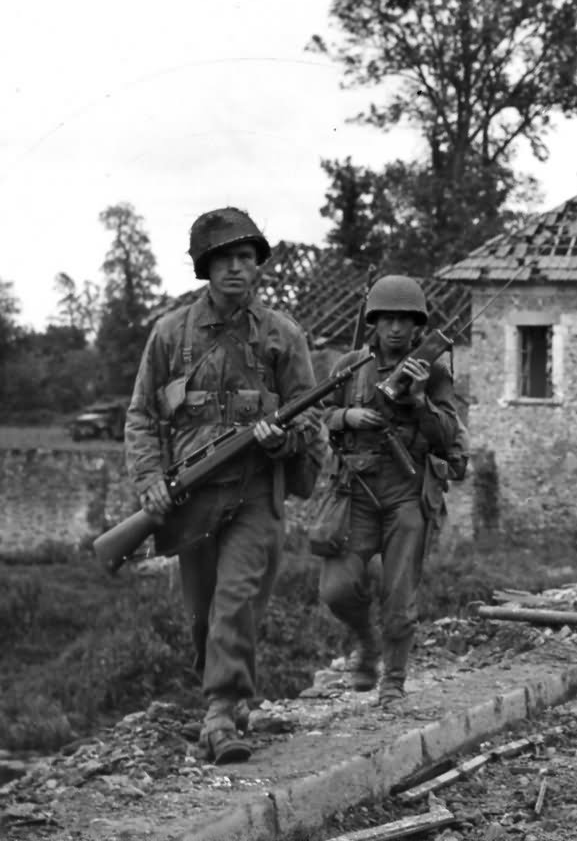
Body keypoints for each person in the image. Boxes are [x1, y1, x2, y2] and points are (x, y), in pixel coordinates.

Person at [125, 207, 320, 765]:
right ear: (205, 267)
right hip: (192, 495)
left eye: (246, 258)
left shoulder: (283, 336)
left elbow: (307, 420)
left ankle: (218, 714)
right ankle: (227, 699)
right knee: (201, 613)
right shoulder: (170, 334)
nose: (237, 268)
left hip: (256, 491)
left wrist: (283, 441)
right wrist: (149, 480)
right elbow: (141, 415)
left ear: (258, 265)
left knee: (236, 601)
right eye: (225, 259)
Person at [317, 275, 462, 706]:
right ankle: (367, 641)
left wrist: (419, 401)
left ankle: (393, 682)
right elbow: (317, 416)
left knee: (399, 596)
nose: (396, 329)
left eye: (404, 320)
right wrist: (348, 417)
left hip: (406, 492)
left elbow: (447, 437)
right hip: (355, 491)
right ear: (373, 323)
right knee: (337, 590)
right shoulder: (350, 365)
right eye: (387, 319)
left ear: (418, 326)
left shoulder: (433, 371)